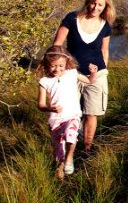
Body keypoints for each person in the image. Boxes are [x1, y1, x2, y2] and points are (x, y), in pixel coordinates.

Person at [53, 0, 115, 153]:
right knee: (69, 114)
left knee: (91, 113)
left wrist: (104, 69)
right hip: (72, 74)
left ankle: (86, 149)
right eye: (93, 3)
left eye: (100, 5)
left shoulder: (105, 26)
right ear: (88, 1)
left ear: (105, 6)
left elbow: (105, 50)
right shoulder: (72, 19)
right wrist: (60, 69)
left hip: (97, 75)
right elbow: (57, 45)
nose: (95, 8)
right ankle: (65, 151)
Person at [37, 46, 97, 180]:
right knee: (58, 154)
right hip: (56, 121)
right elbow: (40, 105)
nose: (57, 69)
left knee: (71, 134)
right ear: (47, 64)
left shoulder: (72, 73)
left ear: (67, 63)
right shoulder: (44, 81)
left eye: (61, 66)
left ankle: (70, 158)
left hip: (73, 115)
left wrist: (93, 72)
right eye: (53, 66)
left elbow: (90, 81)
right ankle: (60, 178)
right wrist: (49, 108)